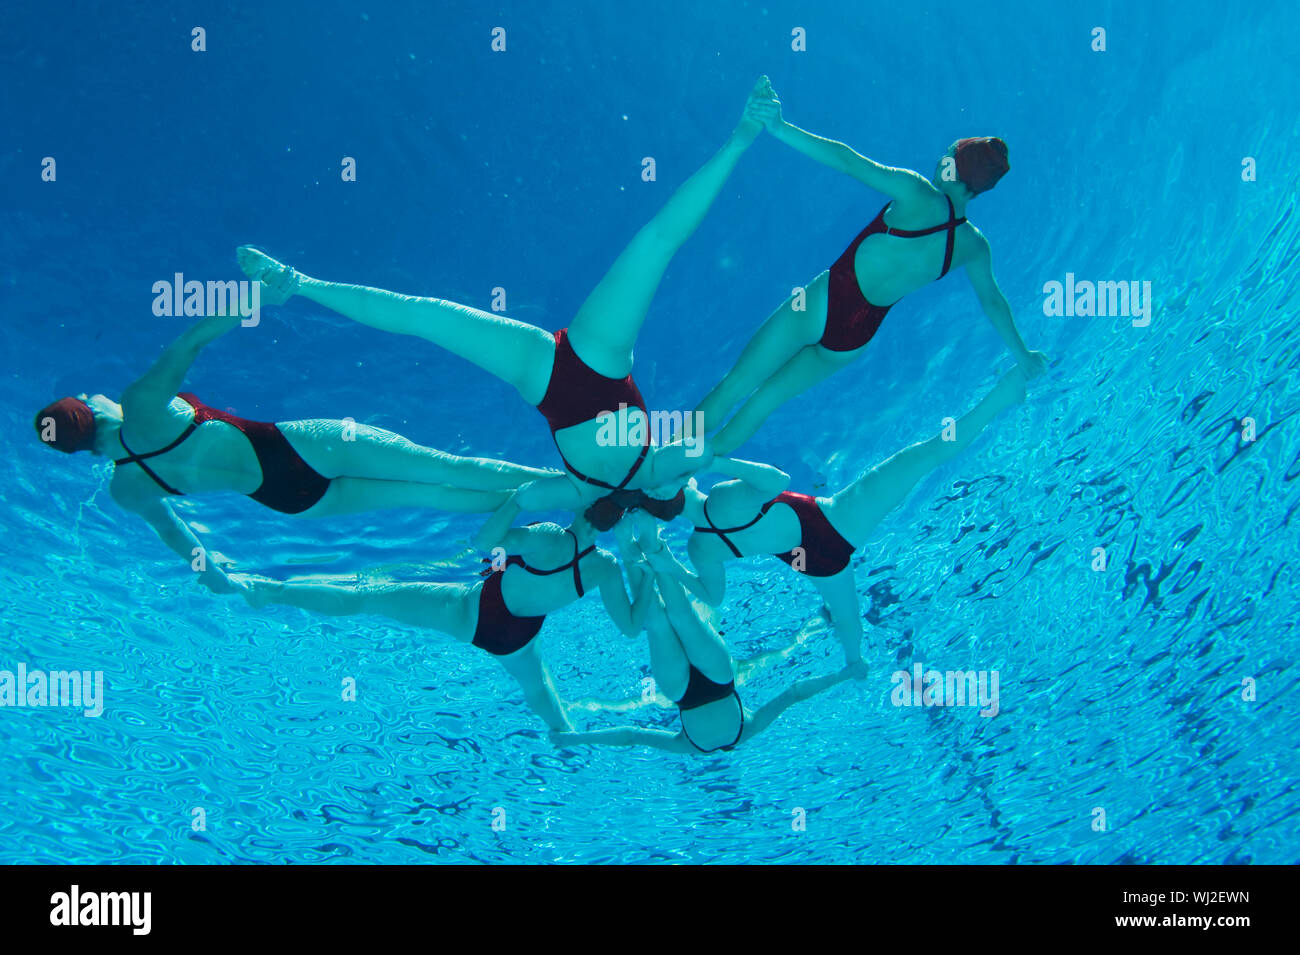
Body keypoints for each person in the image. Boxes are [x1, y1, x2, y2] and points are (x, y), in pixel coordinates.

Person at [235, 79, 776, 531]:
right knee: (653, 247)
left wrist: (481, 547)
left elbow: (518, 501)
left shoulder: (577, 496)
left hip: (547, 384)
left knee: (425, 316)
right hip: (601, 364)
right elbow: (760, 472)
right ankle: (739, 140)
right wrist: (714, 464)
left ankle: (296, 283)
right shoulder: (672, 464)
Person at [35, 313, 557, 593]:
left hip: (291, 499)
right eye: (85, 398)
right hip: (299, 445)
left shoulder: (126, 487)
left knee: (431, 497)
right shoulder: (139, 404)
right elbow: (189, 344)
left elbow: (180, 537)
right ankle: (575, 482)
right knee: (448, 468)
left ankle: (550, 503)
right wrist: (251, 299)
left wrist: (219, 579)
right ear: (88, 408)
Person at [694, 76, 1047, 454]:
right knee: (763, 404)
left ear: (952, 166)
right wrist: (1023, 356)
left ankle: (657, 463)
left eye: (946, 154)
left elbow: (847, 161)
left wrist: (779, 127)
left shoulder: (915, 192)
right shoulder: (974, 245)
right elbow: (993, 302)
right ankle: (682, 478)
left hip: (821, 305)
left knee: (736, 384)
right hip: (854, 339)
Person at [654, 369, 1027, 664]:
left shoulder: (698, 547)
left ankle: (855, 665)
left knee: (848, 619)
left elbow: (712, 595)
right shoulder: (720, 497)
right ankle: (1003, 396)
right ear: (679, 481)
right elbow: (777, 480)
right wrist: (717, 461)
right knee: (922, 457)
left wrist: (669, 566)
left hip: (815, 563)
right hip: (835, 520)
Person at [232, 517, 653, 731]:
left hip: (471, 612)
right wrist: (646, 565)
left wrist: (516, 500)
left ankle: (273, 591)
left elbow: (484, 543)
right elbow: (633, 628)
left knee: (368, 599)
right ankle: (565, 736)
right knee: (537, 688)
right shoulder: (605, 567)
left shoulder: (547, 535)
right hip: (516, 640)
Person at [551, 530, 864, 754]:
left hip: (719, 680)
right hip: (682, 694)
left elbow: (795, 693)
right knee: (658, 624)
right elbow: (632, 736)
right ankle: (625, 537)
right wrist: (574, 739)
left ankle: (649, 536)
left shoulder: (746, 730)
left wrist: (846, 673)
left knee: (681, 615)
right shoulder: (691, 747)